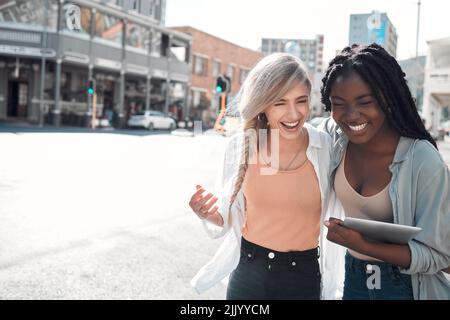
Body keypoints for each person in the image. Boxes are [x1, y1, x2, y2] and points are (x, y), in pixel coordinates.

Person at [188, 53, 345, 300]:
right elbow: (228, 219)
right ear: (263, 104)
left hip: (303, 280)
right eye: (280, 102)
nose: (293, 114)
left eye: (301, 101)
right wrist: (207, 214)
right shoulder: (243, 147)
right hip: (248, 276)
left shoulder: (325, 148)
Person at [320, 44, 450, 300]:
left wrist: (363, 245)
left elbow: (439, 255)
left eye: (365, 102)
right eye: (338, 103)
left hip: (406, 287)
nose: (351, 115)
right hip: (354, 278)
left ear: (388, 98)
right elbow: (293, 131)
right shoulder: (336, 139)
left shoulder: (421, 159)